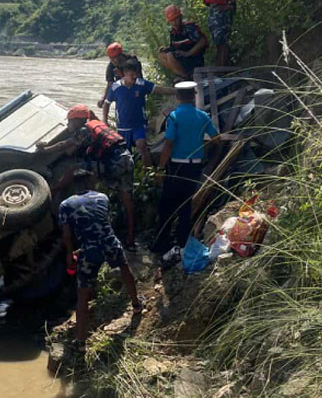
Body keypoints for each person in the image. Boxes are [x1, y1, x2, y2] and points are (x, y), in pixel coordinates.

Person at [59, 169, 143, 348]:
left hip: (89, 251)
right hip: (109, 243)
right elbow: (100, 221)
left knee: (83, 293)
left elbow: (66, 234)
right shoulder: (102, 197)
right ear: (89, 182)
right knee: (125, 269)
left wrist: (70, 253)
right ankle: (136, 305)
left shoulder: (66, 204)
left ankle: (81, 342)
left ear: (75, 185)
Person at [36, 105, 137, 249]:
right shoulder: (97, 124)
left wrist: (45, 149)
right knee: (128, 202)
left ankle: (53, 190)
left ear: (76, 120)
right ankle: (131, 241)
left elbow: (66, 144)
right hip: (127, 159)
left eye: (69, 121)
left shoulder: (84, 130)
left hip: (114, 163)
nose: (68, 125)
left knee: (75, 168)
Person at [151, 81, 221, 268]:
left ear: (177, 97)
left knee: (167, 204)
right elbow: (217, 138)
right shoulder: (203, 116)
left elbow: (168, 144)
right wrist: (201, 145)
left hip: (176, 167)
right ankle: (182, 243)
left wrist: (160, 168)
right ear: (193, 96)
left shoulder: (174, 117)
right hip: (194, 167)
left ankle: (160, 243)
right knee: (185, 206)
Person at [103, 59, 176, 165]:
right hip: (123, 127)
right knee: (124, 154)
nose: (134, 77)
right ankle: (131, 175)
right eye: (131, 74)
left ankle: (148, 173)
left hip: (139, 125)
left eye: (136, 74)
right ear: (124, 74)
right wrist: (105, 120)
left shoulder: (142, 84)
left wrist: (178, 91)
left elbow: (160, 90)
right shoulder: (115, 87)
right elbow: (106, 103)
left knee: (142, 146)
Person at [157, 4, 208, 79]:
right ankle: (183, 75)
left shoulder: (189, 28)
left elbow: (203, 41)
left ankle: (186, 76)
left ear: (180, 17)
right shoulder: (173, 33)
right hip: (183, 60)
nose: (174, 23)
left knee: (170, 56)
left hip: (194, 58)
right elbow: (173, 48)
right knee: (162, 55)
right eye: (172, 21)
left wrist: (188, 53)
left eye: (176, 19)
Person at [98, 42, 142, 109]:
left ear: (120, 55)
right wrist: (103, 99)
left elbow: (137, 80)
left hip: (136, 89)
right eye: (111, 58)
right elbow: (110, 84)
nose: (113, 60)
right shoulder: (111, 67)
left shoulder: (132, 62)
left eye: (115, 57)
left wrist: (121, 75)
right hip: (121, 91)